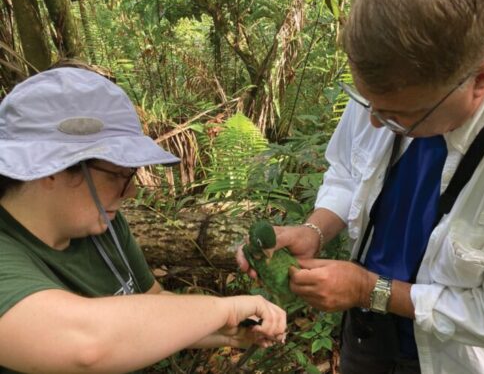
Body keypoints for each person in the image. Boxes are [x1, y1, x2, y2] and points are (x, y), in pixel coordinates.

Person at [237, 0, 484, 373]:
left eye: (397, 117)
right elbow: (348, 170)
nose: (373, 122)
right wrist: (316, 230)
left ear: (482, 79)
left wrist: (368, 289)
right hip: (364, 333)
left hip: (449, 357)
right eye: (367, 103)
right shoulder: (394, 82)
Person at [0, 66, 287, 374]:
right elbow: (85, 345)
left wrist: (230, 330)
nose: (133, 190)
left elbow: (153, 301)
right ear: (51, 168)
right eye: (118, 175)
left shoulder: (103, 226)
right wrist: (224, 309)